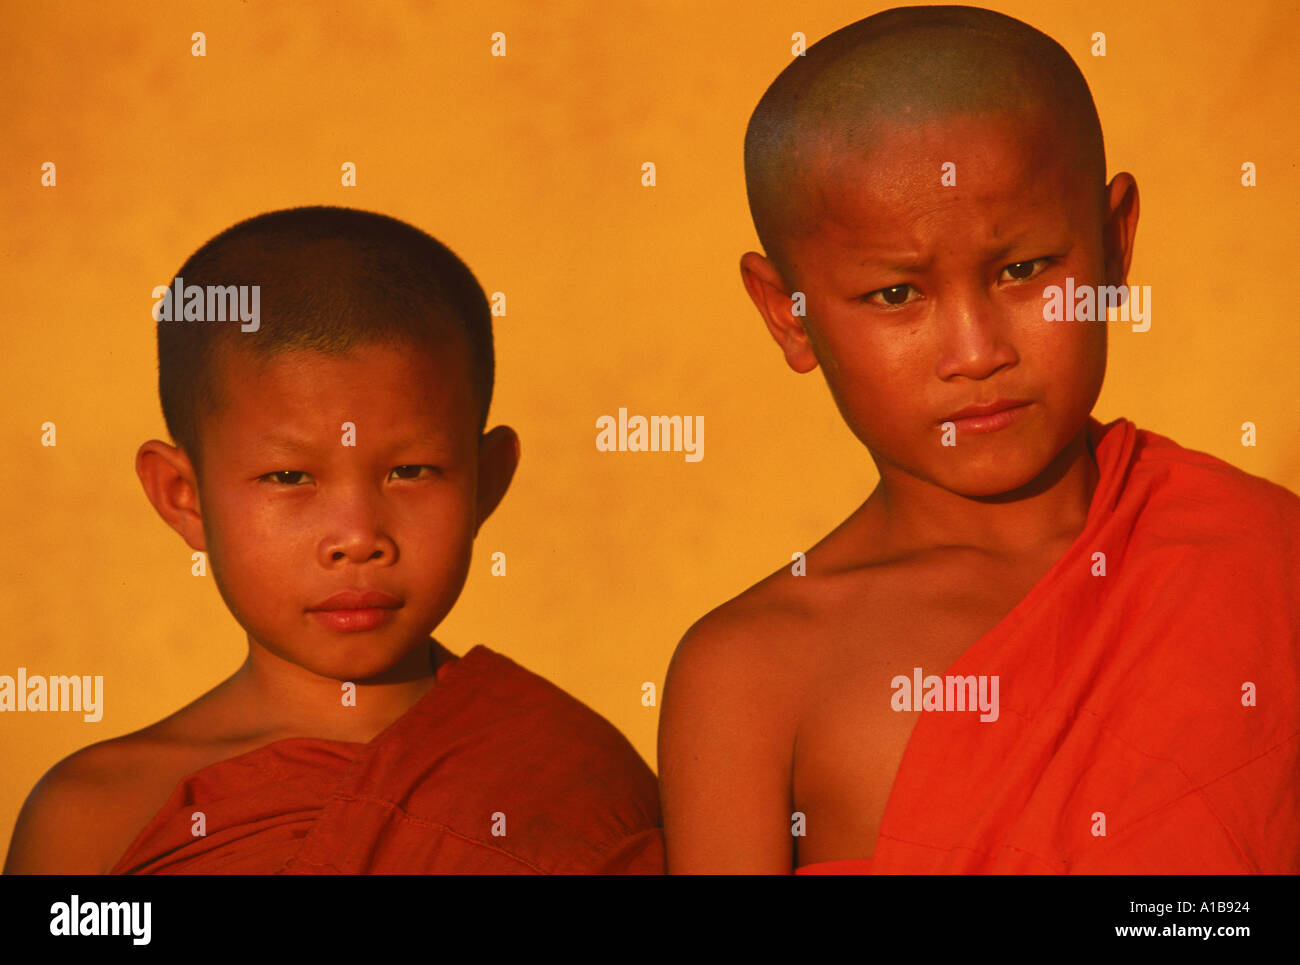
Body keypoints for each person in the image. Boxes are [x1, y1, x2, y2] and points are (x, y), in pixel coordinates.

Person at [658, 5, 1300, 873]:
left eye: (1024, 269)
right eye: (896, 295)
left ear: (1115, 245)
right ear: (790, 313)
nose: (977, 352)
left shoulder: (1261, 557)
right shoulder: (751, 675)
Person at [5, 206, 664, 874]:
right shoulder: (92, 818)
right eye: (289, 476)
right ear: (184, 495)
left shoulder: (571, 784)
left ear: (486, 482)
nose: (357, 537)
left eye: (411, 471)